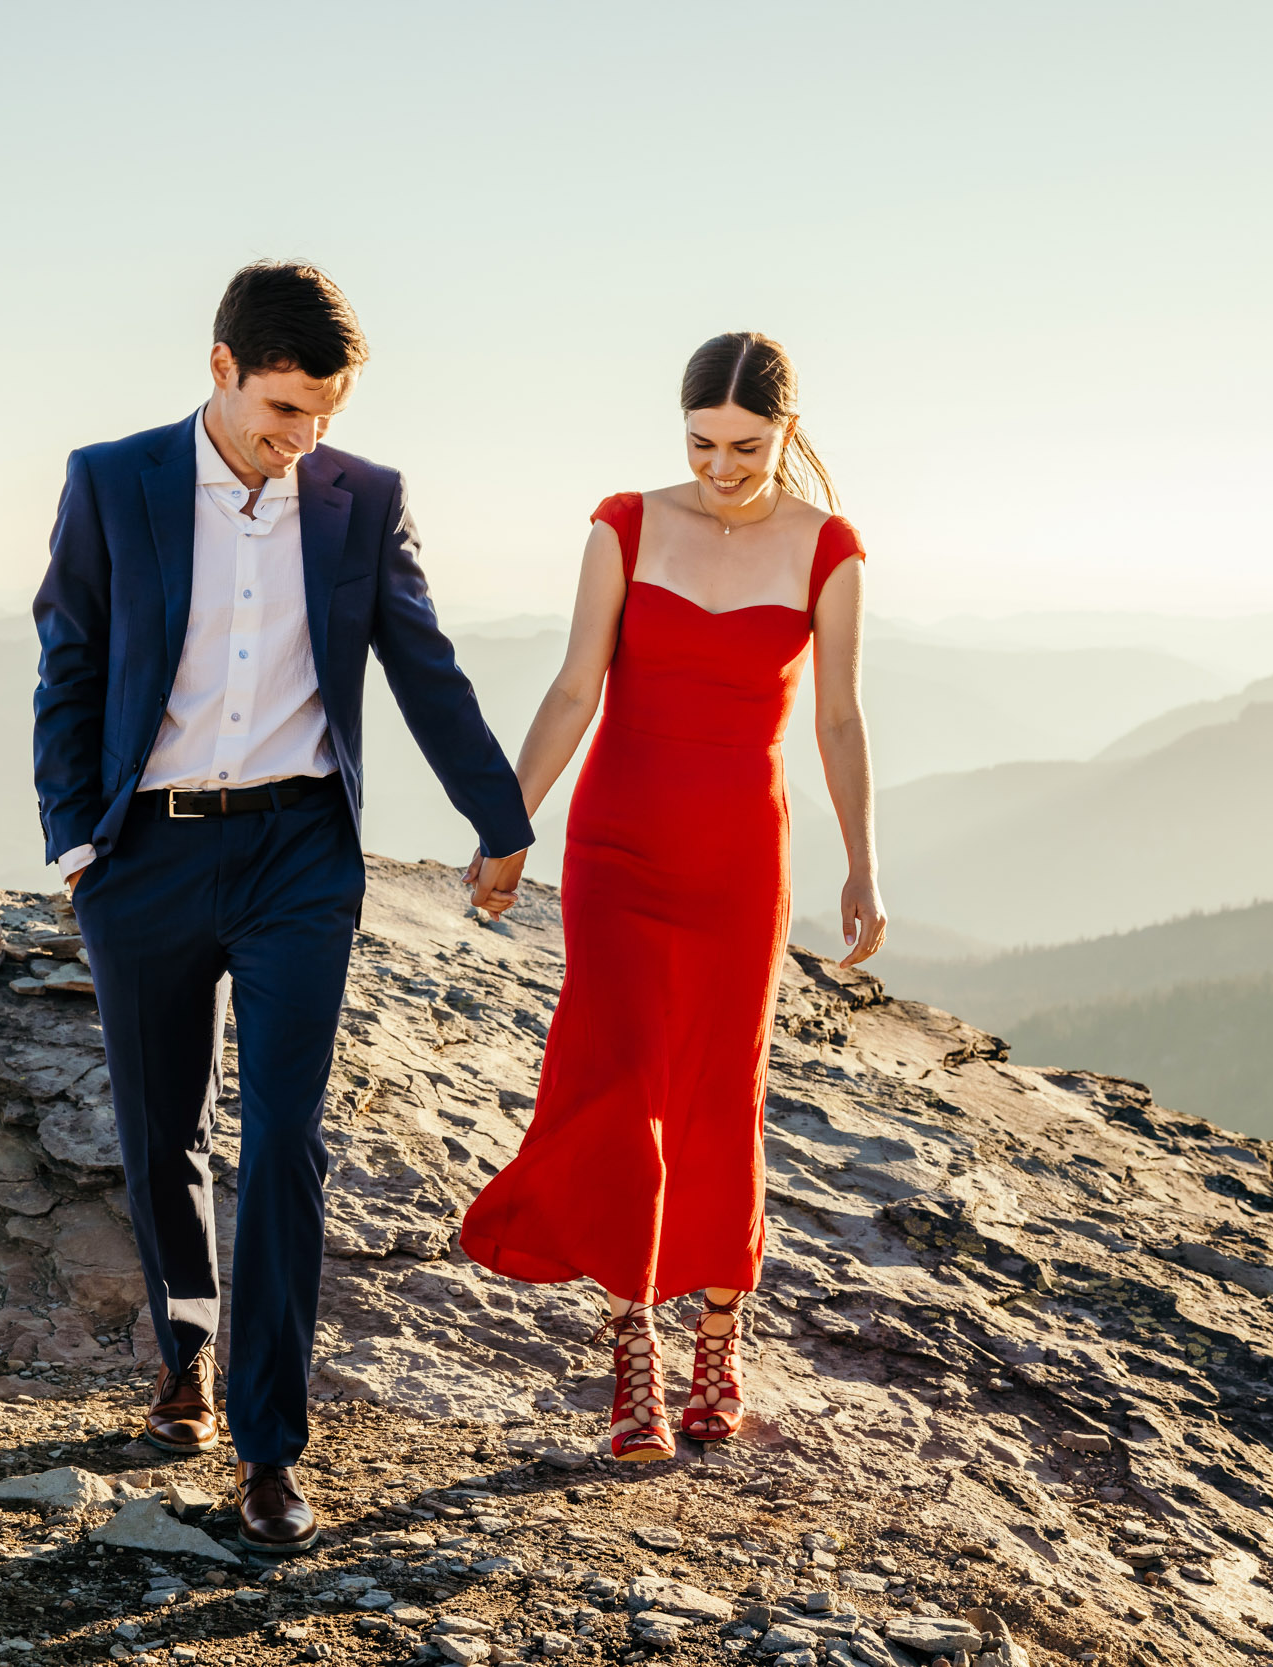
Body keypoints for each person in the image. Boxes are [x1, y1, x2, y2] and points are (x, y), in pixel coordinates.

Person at [31, 262, 531, 1548]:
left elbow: (423, 662)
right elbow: (69, 663)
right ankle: (184, 1347)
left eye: (322, 414)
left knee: (287, 1142)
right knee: (162, 1129)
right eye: (279, 410)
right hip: (145, 851)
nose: (300, 439)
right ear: (219, 368)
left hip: (301, 855)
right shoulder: (111, 478)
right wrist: (75, 843)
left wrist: (500, 817)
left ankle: (269, 1447)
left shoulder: (364, 500)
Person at [458, 331, 886, 1459]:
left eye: (747, 445)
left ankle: (720, 1332)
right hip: (619, 846)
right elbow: (570, 687)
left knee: (716, 1088)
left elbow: (838, 718)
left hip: (743, 855)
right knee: (618, 1078)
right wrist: (507, 824)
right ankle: (633, 1344)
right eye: (701, 442)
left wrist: (862, 861)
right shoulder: (626, 524)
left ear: (788, 431)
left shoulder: (827, 548)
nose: (722, 465)